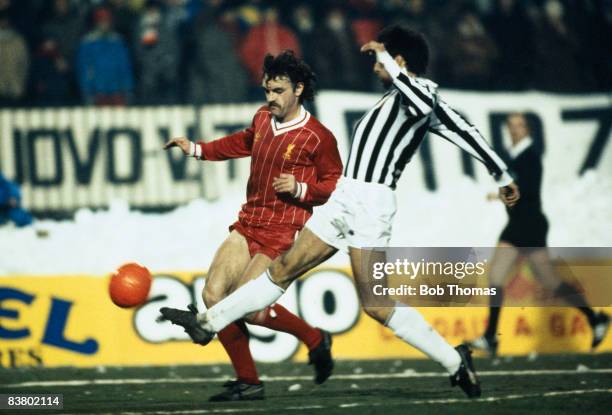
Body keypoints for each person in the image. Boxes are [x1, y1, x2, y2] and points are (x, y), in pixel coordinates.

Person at [160, 26, 521, 399]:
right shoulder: (393, 97)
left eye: (383, 62)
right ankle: (207, 321)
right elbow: (458, 127)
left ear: (397, 61)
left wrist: (502, 173)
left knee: (377, 305)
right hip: (345, 198)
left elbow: (453, 121)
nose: (375, 68)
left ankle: (453, 360)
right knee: (281, 270)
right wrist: (502, 171)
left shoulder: (421, 93)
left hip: (370, 206)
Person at [163, 50, 342, 401]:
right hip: (249, 224)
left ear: (298, 90)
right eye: (267, 90)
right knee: (213, 296)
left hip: (283, 232)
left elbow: (335, 183)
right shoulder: (262, 118)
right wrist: (197, 149)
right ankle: (249, 381)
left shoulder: (318, 136)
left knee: (251, 308)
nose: (270, 98)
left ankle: (315, 339)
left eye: (278, 91)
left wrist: (302, 188)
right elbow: (243, 142)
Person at [468, 113, 610, 355]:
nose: (515, 130)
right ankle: (491, 336)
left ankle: (595, 318)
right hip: (522, 224)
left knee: (539, 280)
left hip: (529, 225)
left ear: (528, 130)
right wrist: (503, 195)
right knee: (510, 277)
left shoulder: (529, 158)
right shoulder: (516, 157)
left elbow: (525, 191)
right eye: (511, 126)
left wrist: (500, 195)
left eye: (520, 125)